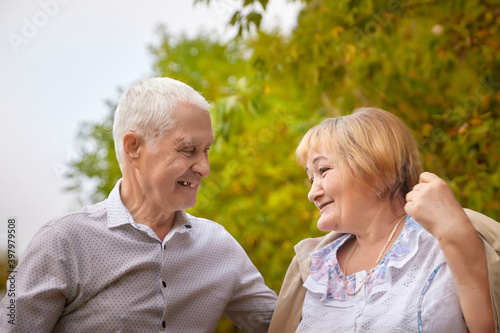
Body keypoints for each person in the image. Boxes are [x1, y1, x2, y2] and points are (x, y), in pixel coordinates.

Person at [1, 77, 277, 332]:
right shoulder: (62, 242)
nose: (204, 168)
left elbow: (288, 325)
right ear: (133, 147)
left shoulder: (218, 246)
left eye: (206, 150)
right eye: (188, 149)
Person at [268, 107, 500, 333]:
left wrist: (455, 233)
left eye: (324, 170)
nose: (312, 193)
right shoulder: (312, 267)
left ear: (380, 172)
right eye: (311, 179)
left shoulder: (444, 240)